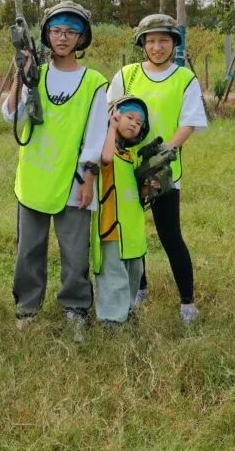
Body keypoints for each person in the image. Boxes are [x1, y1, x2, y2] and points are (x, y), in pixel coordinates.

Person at [3, 1, 107, 342]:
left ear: (82, 37)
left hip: (74, 179)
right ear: (47, 35)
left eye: (71, 31)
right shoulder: (38, 74)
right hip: (34, 176)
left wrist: (89, 175)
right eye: (57, 30)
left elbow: (96, 132)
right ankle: (27, 307)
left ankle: (75, 307)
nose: (63, 37)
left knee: (75, 250)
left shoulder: (93, 82)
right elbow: (11, 116)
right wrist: (22, 75)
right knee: (28, 249)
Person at [108, 13, 206, 326]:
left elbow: (188, 122)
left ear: (174, 43)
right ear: (142, 44)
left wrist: (163, 155)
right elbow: (109, 114)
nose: (157, 46)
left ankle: (187, 302)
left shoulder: (184, 79)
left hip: (161, 171)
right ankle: (140, 286)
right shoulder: (127, 74)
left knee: (169, 234)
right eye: (151, 41)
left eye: (164, 40)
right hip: (123, 167)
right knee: (132, 232)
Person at [92, 96, 150, 329]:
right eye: (129, 117)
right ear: (115, 116)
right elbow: (105, 158)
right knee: (114, 275)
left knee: (133, 271)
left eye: (139, 123)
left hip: (132, 231)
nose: (134, 124)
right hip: (112, 227)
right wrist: (112, 126)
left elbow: (139, 192)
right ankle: (111, 320)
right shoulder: (106, 149)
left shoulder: (131, 157)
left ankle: (125, 310)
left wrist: (151, 185)